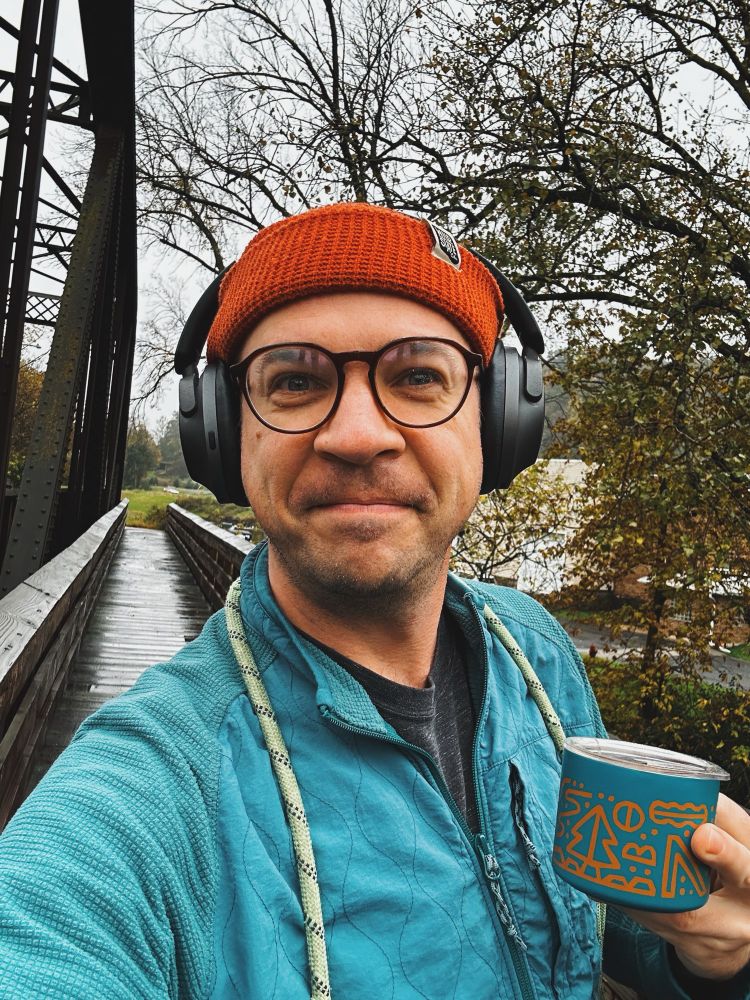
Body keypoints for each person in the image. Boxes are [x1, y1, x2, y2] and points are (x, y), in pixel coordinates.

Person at [0, 202, 748, 1000]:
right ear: (222, 433)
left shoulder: (536, 650)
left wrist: (713, 961)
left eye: (419, 376)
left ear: (498, 421)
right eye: (293, 381)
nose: (357, 435)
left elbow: (620, 928)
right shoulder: (147, 792)